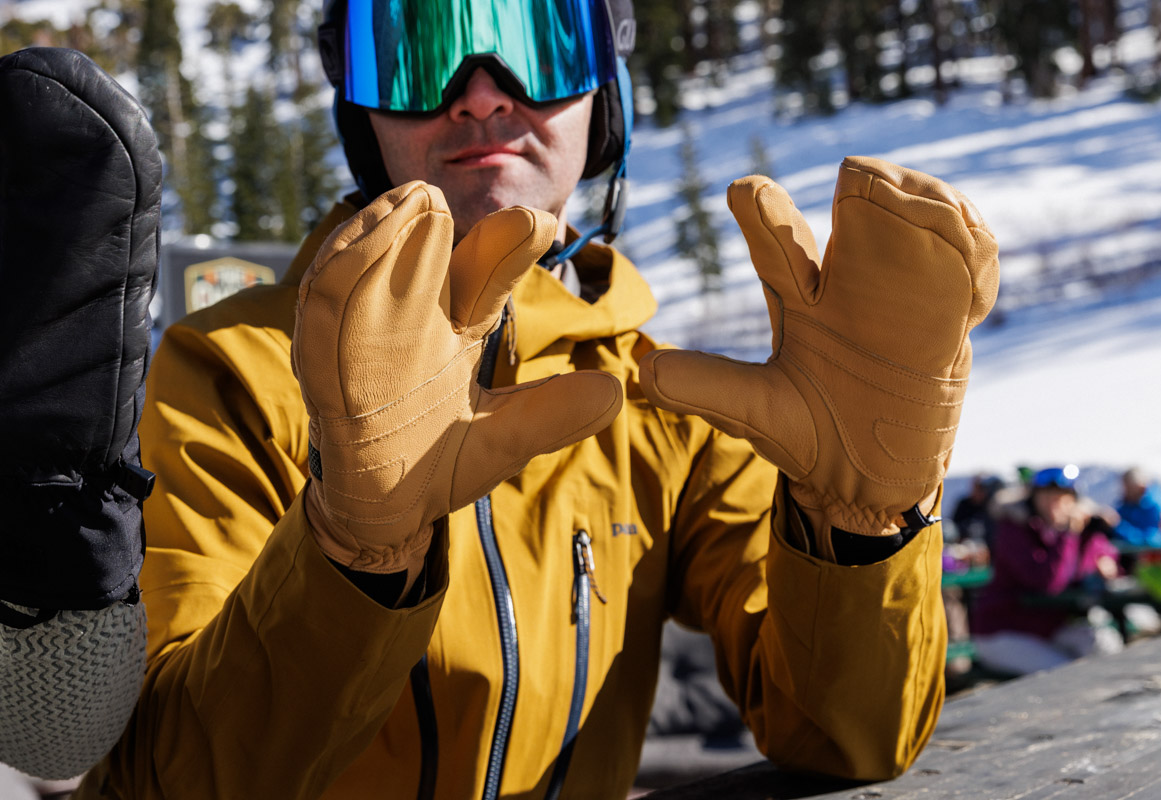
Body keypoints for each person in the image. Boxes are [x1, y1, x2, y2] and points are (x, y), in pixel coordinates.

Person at [1, 1, 996, 797]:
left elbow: (845, 737)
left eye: (534, 40)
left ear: (601, 95)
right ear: (362, 113)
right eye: (413, 46)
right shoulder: (234, 374)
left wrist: (863, 527)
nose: (478, 98)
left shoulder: (664, 402)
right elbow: (160, 778)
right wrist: (352, 556)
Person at [0, 47, 159, 781]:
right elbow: (56, 734)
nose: (482, 100)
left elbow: (57, 735)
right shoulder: (238, 361)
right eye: (406, 62)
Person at [971, 465, 1124, 675]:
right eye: (1047, 497)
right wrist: (1069, 535)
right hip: (1003, 631)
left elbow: (1104, 552)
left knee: (1105, 646)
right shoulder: (1015, 529)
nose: (1055, 505)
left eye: (1062, 498)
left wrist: (1105, 556)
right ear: (1034, 499)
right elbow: (1048, 583)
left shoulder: (1075, 529)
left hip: (1046, 625)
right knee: (1067, 675)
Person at [1113, 467, 1161, 549]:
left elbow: (1157, 538)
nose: (1125, 492)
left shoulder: (1157, 507)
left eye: (1129, 488)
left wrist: (1119, 527)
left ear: (1142, 487)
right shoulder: (1124, 507)